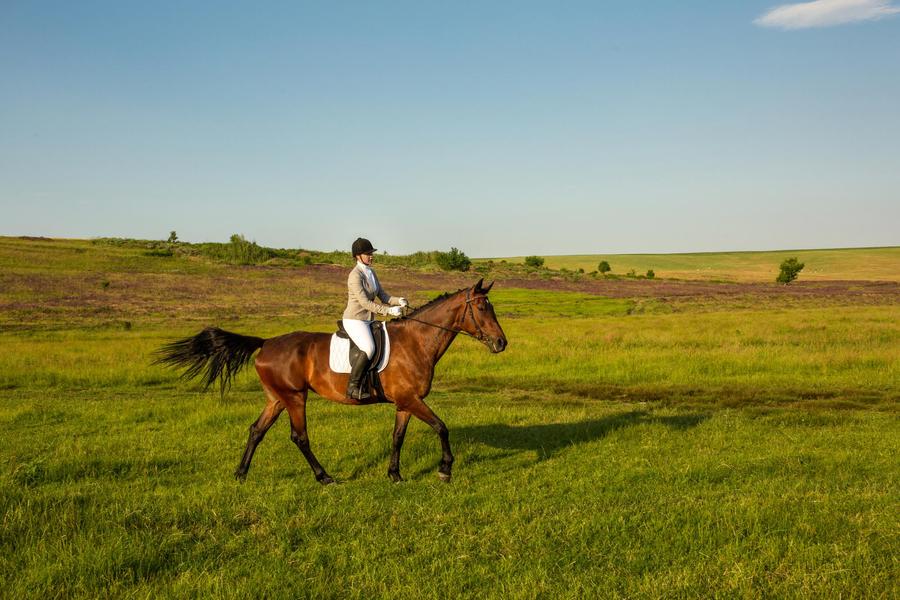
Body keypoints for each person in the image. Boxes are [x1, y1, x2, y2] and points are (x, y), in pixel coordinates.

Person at [342, 237, 408, 400]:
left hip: (368, 320)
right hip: (355, 320)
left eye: (371, 253)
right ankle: (353, 387)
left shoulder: (371, 272)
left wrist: (398, 300)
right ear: (358, 256)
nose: (371, 256)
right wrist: (389, 311)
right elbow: (364, 302)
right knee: (369, 348)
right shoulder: (354, 276)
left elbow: (383, 295)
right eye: (368, 253)